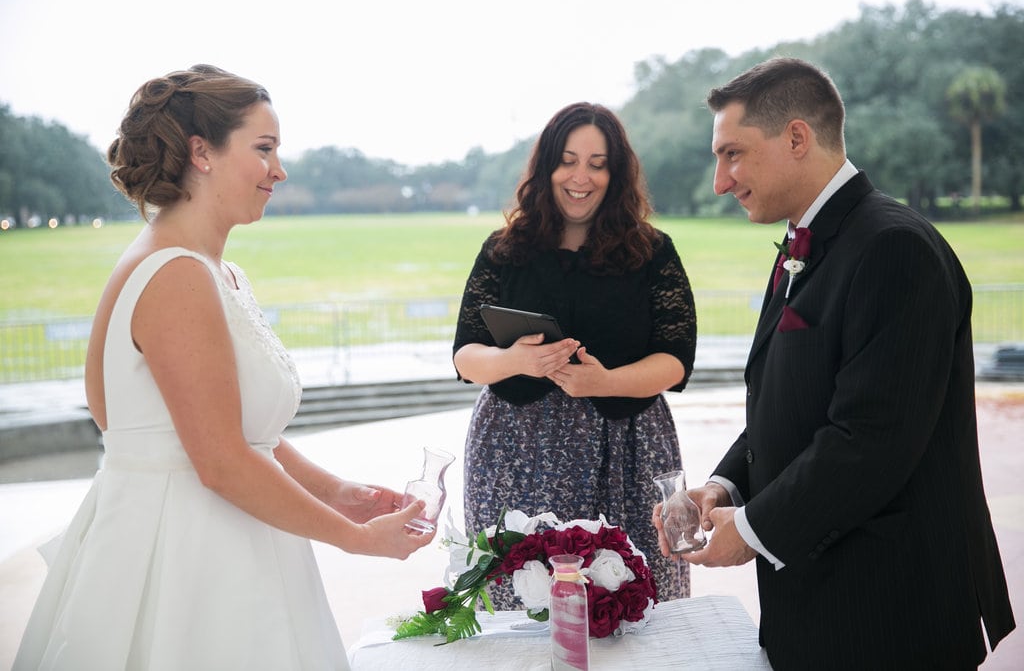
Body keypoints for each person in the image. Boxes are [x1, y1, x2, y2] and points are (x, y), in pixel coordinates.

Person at [14, 65, 433, 670]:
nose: (279, 171)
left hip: (233, 541)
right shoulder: (174, 274)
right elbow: (217, 458)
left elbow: (236, 435)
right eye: (264, 149)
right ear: (201, 153)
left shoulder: (218, 273)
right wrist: (357, 540)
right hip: (186, 565)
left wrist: (340, 493)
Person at [653, 57, 1016, 669]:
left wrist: (754, 528)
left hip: (888, 613)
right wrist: (725, 487)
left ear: (797, 137)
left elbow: (870, 439)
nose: (721, 180)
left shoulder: (894, 248)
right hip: (816, 604)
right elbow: (788, 399)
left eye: (733, 154)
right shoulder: (802, 243)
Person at [453, 102, 697, 605]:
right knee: (521, 603)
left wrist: (604, 382)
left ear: (616, 172)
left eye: (597, 162)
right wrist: (515, 361)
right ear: (546, 167)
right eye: (567, 160)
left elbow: (675, 360)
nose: (580, 176)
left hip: (627, 448)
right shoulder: (504, 250)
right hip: (516, 452)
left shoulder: (653, 252)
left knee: (631, 604)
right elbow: (465, 354)